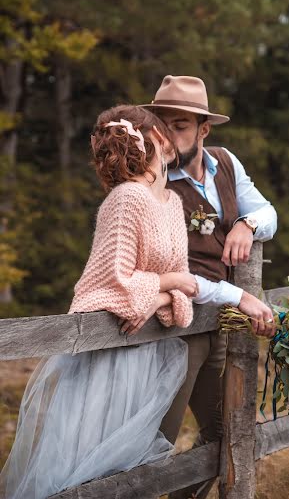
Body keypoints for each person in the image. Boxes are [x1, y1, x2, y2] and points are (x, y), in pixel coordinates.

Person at [0, 106, 197, 499]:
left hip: (147, 354)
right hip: (107, 357)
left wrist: (164, 291)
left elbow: (183, 292)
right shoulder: (125, 199)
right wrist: (171, 283)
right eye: (163, 128)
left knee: (129, 471)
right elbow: (108, 284)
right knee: (87, 464)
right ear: (153, 137)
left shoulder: (173, 204)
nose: (170, 134)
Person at [140, 75, 278, 499]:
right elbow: (163, 269)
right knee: (153, 443)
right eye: (161, 123)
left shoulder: (225, 164)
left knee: (227, 435)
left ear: (204, 129)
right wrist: (239, 296)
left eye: (179, 125)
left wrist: (246, 223)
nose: (166, 135)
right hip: (173, 330)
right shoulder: (149, 178)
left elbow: (268, 212)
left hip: (214, 325)